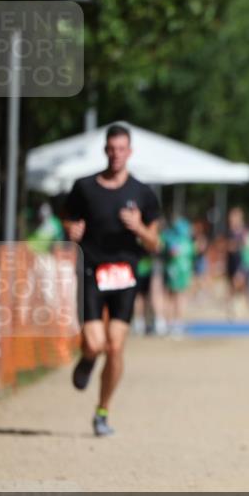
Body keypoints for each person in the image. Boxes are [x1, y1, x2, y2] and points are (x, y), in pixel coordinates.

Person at [63, 124, 160, 436]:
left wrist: (139, 228)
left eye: (122, 149)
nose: (116, 154)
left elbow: (154, 243)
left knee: (115, 347)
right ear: (105, 150)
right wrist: (71, 231)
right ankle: (88, 359)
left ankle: (102, 411)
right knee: (95, 343)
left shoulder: (143, 193)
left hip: (125, 275)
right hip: (92, 269)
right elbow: (67, 218)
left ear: (129, 152)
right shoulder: (84, 187)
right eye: (111, 148)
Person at [161, 214, 195, 337]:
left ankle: (172, 323)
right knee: (176, 298)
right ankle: (173, 323)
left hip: (175, 272)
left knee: (174, 298)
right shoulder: (182, 241)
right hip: (177, 273)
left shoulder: (172, 238)